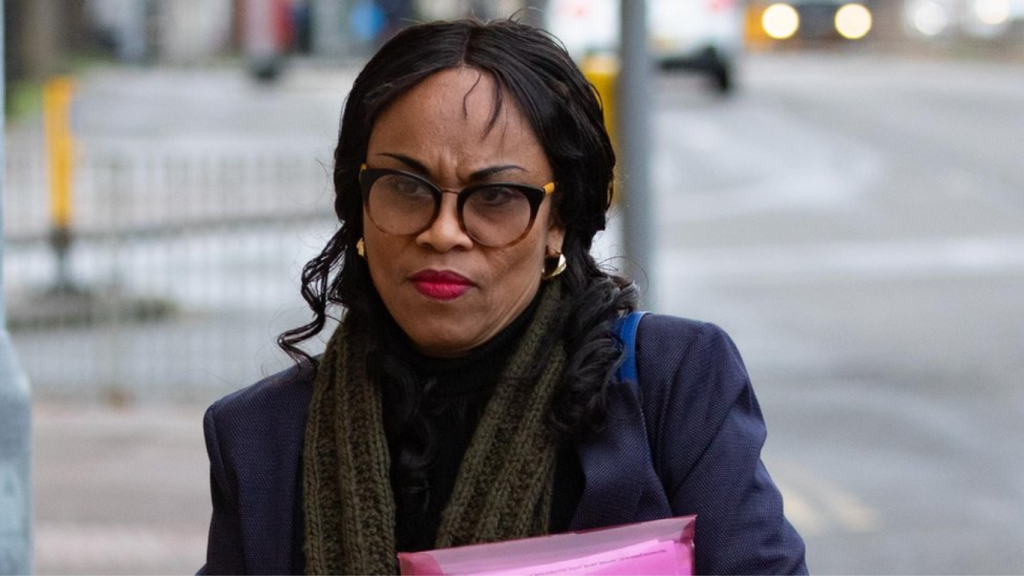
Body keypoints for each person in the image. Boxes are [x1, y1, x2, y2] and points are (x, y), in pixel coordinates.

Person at [199, 18, 807, 576]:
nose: (442, 231)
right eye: (407, 188)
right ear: (358, 208)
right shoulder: (259, 438)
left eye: (494, 198)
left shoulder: (673, 386)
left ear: (558, 224)